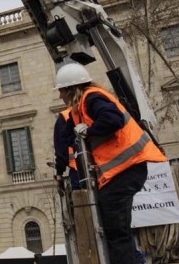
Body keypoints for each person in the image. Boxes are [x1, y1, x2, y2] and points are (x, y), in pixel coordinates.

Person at [54, 63, 167, 264]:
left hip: (126, 169)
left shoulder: (92, 97)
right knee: (114, 228)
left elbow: (112, 119)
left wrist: (89, 130)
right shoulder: (77, 109)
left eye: (61, 91)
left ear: (71, 88)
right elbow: (65, 141)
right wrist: (59, 166)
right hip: (119, 172)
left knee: (117, 231)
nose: (60, 97)